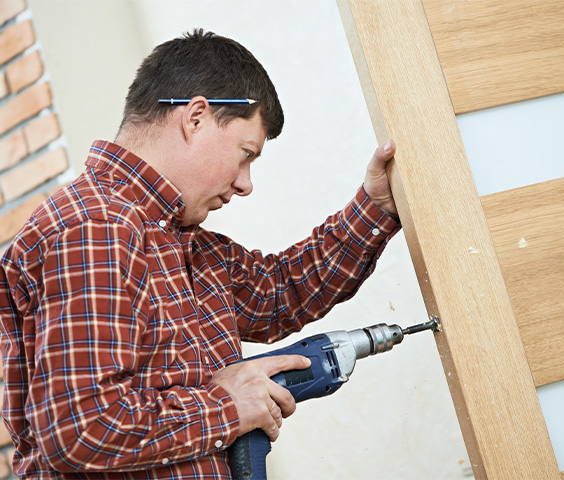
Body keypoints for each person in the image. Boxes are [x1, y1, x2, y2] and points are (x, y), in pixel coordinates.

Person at [0, 29, 399, 479]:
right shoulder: (97, 227)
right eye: (245, 154)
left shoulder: (180, 238)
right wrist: (226, 407)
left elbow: (279, 293)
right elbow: (83, 427)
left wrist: (377, 206)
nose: (246, 183)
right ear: (195, 118)